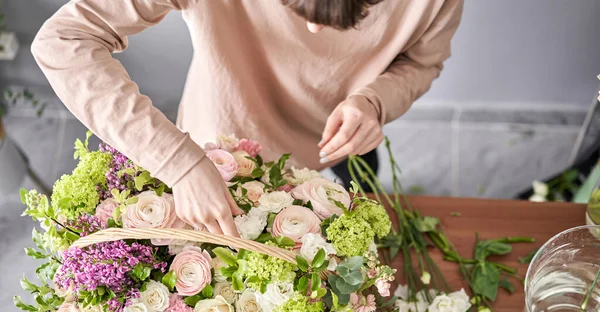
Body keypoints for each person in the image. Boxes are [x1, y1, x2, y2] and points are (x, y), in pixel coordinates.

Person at [32, 0, 463, 237]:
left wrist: (376, 102)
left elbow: (422, 63)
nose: (315, 30)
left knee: (361, 195)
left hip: (344, 137)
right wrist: (178, 163)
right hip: (221, 153)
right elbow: (62, 41)